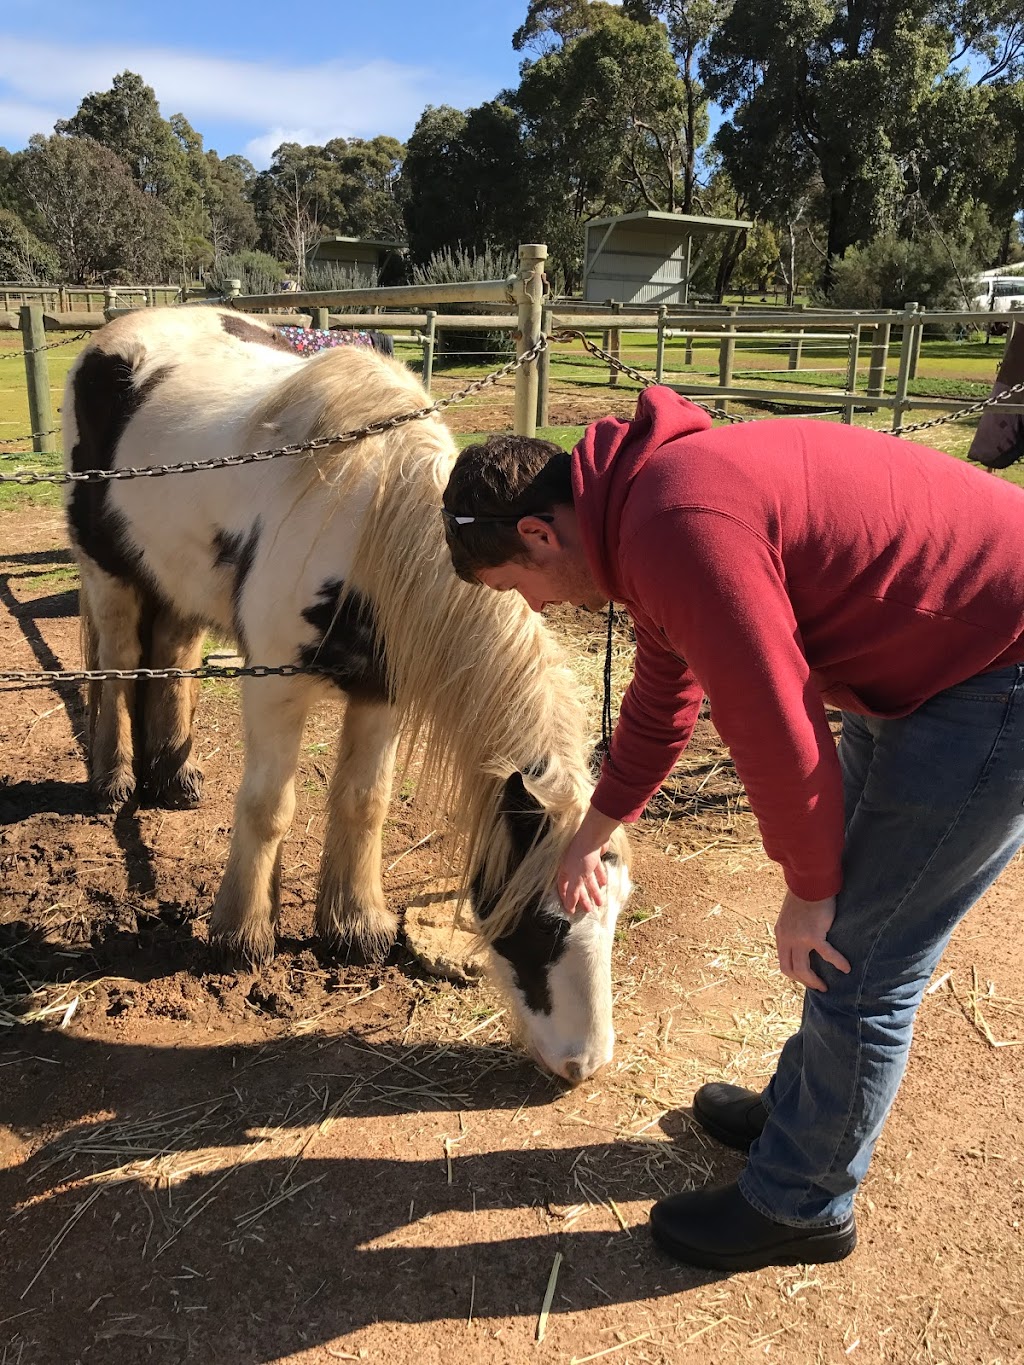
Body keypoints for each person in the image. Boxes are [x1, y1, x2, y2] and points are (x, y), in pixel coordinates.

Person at [441, 386, 1024, 1273]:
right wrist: (596, 825)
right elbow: (665, 695)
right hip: (924, 657)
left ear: (536, 534)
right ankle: (803, 1117)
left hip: (993, 669)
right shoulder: (641, 507)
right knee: (850, 939)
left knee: (858, 956)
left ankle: (801, 1201)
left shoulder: (673, 523)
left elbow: (773, 724)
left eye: (515, 588)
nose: (534, 608)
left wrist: (809, 887)